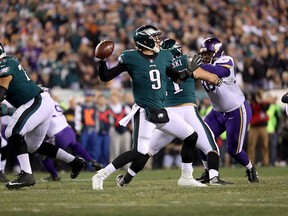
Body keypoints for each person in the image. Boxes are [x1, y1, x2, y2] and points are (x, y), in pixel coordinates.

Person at [92, 25, 222, 190]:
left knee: (191, 136)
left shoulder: (164, 56)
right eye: (154, 37)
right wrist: (102, 61)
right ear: (145, 40)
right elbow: (105, 77)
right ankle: (101, 174)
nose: (158, 40)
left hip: (162, 110)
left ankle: (186, 177)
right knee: (139, 151)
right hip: (145, 111)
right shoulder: (130, 57)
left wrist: (189, 71)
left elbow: (177, 78)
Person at [115, 38, 231, 187]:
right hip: (188, 110)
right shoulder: (185, 60)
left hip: (167, 114)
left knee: (147, 151)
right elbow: (209, 77)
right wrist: (217, 80)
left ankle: (125, 180)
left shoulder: (159, 64)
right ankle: (214, 178)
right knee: (210, 146)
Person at [0, 43, 85, 189]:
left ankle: (27, 174)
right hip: (39, 103)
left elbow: (1, 93)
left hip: (36, 101)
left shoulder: (5, 65)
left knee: (13, 132)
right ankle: (74, 161)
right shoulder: (8, 61)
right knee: (33, 146)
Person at [195, 37, 259, 183]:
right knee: (202, 139)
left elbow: (218, 72)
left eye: (208, 54)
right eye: (203, 54)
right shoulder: (202, 67)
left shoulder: (226, 60)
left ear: (217, 52)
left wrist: (196, 68)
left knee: (233, 150)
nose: (205, 57)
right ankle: (209, 173)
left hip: (236, 110)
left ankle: (250, 169)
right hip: (217, 112)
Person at [41, 95, 103, 182]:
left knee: (42, 154)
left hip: (58, 134)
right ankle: (92, 160)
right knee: (74, 144)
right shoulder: (55, 103)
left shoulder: (41, 106)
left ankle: (55, 175)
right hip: (69, 130)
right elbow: (64, 109)